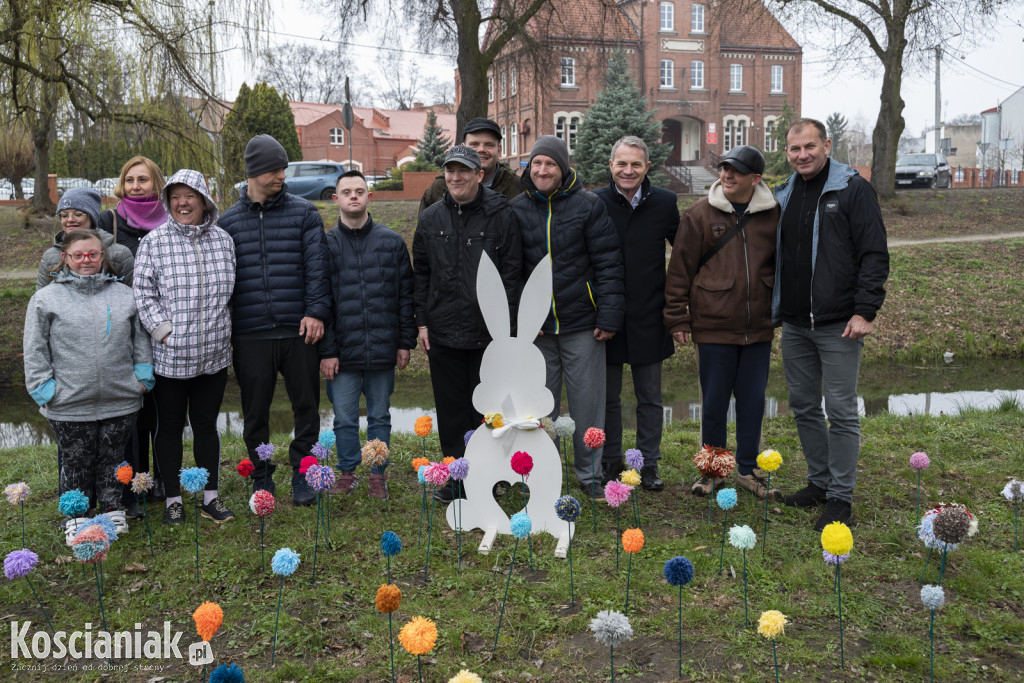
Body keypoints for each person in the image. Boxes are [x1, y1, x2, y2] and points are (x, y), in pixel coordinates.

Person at [772, 118, 889, 530]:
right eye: (794, 149)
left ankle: (841, 498)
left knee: (840, 411)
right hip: (795, 324)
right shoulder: (784, 193)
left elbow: (874, 253)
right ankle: (819, 484)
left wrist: (865, 310)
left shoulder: (853, 189)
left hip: (839, 323)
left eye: (810, 146)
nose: (802, 155)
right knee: (804, 406)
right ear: (787, 152)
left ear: (827, 145)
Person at [510, 135, 625, 500]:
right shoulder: (516, 208)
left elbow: (608, 262)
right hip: (538, 329)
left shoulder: (588, 205)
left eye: (550, 164)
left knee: (587, 406)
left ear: (563, 169)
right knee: (538, 407)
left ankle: (590, 474)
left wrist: (608, 316)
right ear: (529, 167)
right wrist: (522, 319)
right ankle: (542, 473)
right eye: (537, 163)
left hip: (583, 324)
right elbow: (511, 270)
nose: (543, 170)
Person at [219, 134, 331, 507]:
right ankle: (262, 476)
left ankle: (305, 473)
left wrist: (315, 312)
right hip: (249, 334)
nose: (282, 175)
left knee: (307, 409)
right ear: (253, 172)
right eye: (274, 170)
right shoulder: (227, 223)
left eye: (283, 168)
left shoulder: (305, 213)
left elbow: (318, 268)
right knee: (255, 414)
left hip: (299, 331)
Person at [663, 145, 780, 500]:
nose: (727, 175)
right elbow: (679, 270)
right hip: (712, 324)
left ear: (755, 179)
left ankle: (747, 469)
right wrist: (678, 317)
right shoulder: (698, 214)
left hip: (758, 326)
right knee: (713, 403)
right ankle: (713, 471)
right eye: (725, 168)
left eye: (736, 171)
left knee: (752, 402)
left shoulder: (774, 214)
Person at [23, 230, 154, 538]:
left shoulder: (125, 296)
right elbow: (35, 347)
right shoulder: (45, 299)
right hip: (68, 401)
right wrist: (43, 388)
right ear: (65, 258)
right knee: (76, 462)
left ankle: (112, 510)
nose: (86, 260)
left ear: (102, 256)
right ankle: (77, 516)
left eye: (93, 254)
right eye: (78, 255)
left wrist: (142, 377)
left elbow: (140, 340)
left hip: (121, 397)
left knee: (113, 458)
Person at [413, 145, 522, 503]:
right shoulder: (431, 218)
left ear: (479, 174)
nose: (456, 177)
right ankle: (457, 476)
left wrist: (507, 325)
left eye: (464, 170)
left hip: (488, 332)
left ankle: (490, 476)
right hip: (442, 329)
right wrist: (422, 321)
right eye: (450, 170)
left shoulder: (501, 214)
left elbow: (512, 272)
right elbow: (421, 272)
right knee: (451, 409)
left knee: (488, 409)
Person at [133, 170, 236, 525]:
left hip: (214, 356)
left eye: (189, 196)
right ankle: (173, 499)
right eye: (175, 197)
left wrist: (224, 331)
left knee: (206, 425)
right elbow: (143, 293)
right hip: (171, 358)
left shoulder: (224, 240)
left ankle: (210, 497)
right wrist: (164, 332)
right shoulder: (154, 242)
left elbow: (231, 293)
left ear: (204, 200)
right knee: (170, 426)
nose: (182, 203)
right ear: (167, 202)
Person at [320, 170, 416, 499]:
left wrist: (404, 342)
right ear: (336, 199)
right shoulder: (326, 245)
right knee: (344, 418)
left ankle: (377, 474)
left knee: (379, 416)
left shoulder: (391, 242)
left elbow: (405, 297)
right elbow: (321, 302)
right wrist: (327, 351)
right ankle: (347, 472)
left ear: (369, 197)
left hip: (382, 347)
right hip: (342, 352)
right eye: (347, 192)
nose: (353, 196)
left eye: (359, 191)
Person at [594, 136, 679, 492]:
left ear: (647, 167)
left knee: (650, 398)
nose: (628, 171)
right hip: (607, 316)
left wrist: (678, 307)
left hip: (650, 314)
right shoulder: (595, 202)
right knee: (608, 398)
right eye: (621, 164)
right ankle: (611, 459)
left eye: (635, 164)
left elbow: (683, 255)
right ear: (611, 165)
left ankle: (648, 463)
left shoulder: (665, 203)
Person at [98, 156, 170, 512]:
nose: (136, 186)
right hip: (123, 328)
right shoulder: (108, 221)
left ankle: (163, 476)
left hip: (164, 327)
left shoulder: (171, 221)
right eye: (130, 180)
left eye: (143, 179)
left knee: (164, 409)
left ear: (156, 182)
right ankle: (135, 480)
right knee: (131, 409)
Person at [418, 117, 522, 215]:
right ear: (463, 148)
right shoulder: (440, 187)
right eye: (474, 144)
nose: (481, 149)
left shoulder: (517, 188)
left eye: (489, 145)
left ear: (499, 150)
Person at [37, 187, 135, 290]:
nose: (70, 220)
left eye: (77, 214)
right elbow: (41, 297)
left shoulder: (119, 255)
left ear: (92, 217)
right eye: (64, 215)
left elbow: (131, 295)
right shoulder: (50, 257)